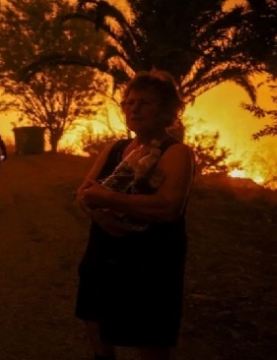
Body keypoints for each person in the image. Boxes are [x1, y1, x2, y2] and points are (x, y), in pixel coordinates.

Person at [75, 70, 196, 360]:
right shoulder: (115, 148)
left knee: (150, 335)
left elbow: (169, 207)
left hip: (150, 259)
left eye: (144, 103)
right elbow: (84, 193)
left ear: (167, 110)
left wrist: (109, 199)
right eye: (129, 102)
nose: (133, 108)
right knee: (95, 316)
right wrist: (103, 218)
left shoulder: (177, 152)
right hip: (104, 250)